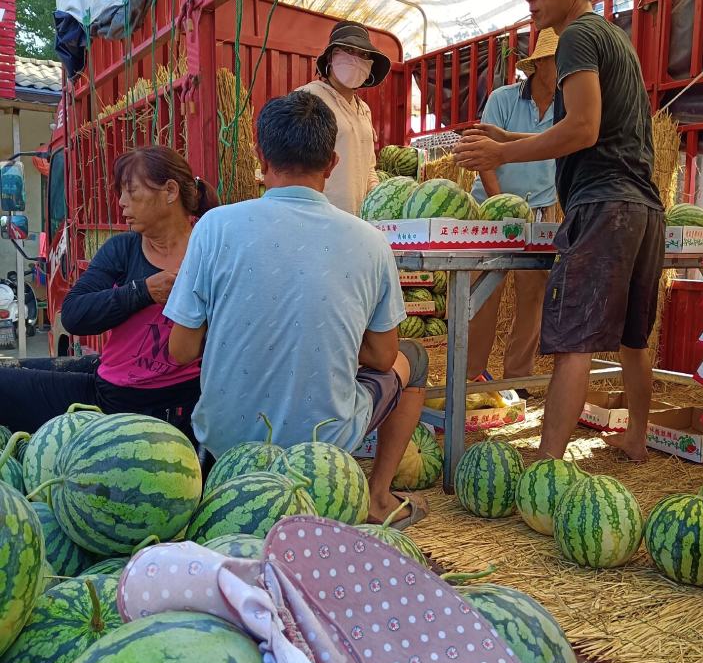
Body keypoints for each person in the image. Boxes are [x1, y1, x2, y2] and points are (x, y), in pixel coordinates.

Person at [165, 90, 430, 528]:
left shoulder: (214, 226)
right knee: (412, 359)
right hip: (321, 450)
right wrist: (332, 342)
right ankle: (378, 498)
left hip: (226, 447)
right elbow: (384, 358)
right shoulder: (370, 241)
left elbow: (180, 349)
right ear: (332, 164)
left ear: (260, 157)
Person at [455, 0, 665, 463]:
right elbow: (594, 132)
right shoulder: (616, 38)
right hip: (642, 206)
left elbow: (583, 129)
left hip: (602, 206)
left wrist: (502, 156)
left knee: (573, 341)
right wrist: (513, 138)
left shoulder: (576, 37)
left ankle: (546, 460)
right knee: (633, 339)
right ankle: (637, 438)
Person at [0, 145, 219, 435]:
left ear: (169, 191)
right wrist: (142, 292)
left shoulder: (212, 250)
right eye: (121, 193)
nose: (122, 203)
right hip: (113, 393)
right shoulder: (123, 249)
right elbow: (75, 315)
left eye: (132, 192)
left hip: (173, 405)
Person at [467, 28, 559, 391]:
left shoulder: (569, 109)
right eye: (558, 62)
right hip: (491, 207)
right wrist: (500, 204)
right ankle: (472, 377)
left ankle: (518, 379)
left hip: (539, 212)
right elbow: (483, 155)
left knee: (532, 297)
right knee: (483, 296)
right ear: (538, 65)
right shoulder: (503, 100)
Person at [294, 21, 391, 216]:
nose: (356, 59)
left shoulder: (364, 110)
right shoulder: (309, 98)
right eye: (347, 50)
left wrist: (380, 197)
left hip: (358, 220)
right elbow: (293, 166)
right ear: (330, 58)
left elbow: (368, 167)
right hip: (319, 217)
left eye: (364, 55)